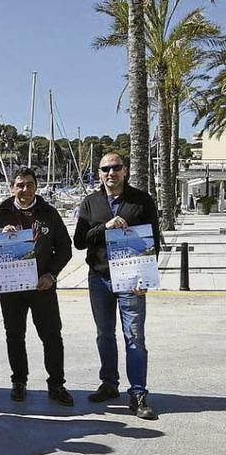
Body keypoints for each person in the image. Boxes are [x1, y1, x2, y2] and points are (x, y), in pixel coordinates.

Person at [74, 153, 160, 420]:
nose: (111, 173)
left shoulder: (142, 201)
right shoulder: (90, 203)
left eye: (116, 168)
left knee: (134, 337)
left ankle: (138, 393)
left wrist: (145, 279)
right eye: (105, 169)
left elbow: (153, 240)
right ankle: (109, 384)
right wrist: (105, 226)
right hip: (99, 278)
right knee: (104, 334)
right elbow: (79, 241)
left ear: (125, 171)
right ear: (99, 173)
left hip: (131, 280)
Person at [0, 167, 74, 405]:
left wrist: (51, 274)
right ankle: (19, 381)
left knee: (51, 336)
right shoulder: (0, 214)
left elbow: (65, 249)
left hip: (42, 287)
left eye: (29, 184)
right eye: (19, 185)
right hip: (12, 288)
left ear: (36, 186)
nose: (24, 190)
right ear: (12, 188)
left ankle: (57, 384)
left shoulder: (49, 213)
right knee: (14, 335)